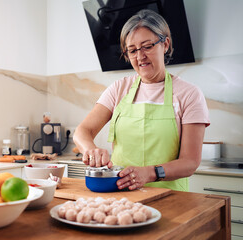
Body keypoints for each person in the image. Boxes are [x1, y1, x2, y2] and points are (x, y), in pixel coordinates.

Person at [73, 9, 210, 192]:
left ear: (165, 44)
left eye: (147, 46)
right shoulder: (118, 89)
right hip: (122, 197)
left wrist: (150, 173)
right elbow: (83, 131)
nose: (140, 56)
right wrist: (91, 150)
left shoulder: (189, 94)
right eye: (132, 50)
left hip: (170, 197)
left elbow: (190, 162)